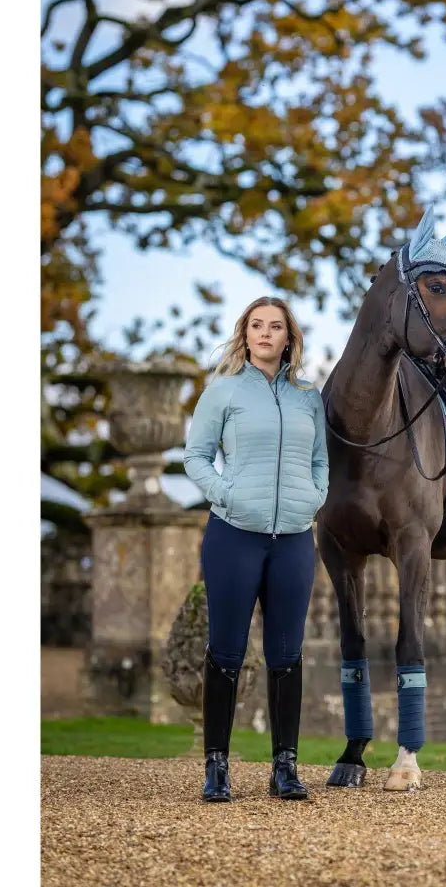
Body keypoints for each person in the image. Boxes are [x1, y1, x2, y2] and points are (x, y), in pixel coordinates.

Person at [183, 296, 329, 803]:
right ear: (245, 335)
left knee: (286, 654)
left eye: (276, 326)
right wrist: (227, 494)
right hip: (233, 536)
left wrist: (313, 498)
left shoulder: (309, 397)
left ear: (289, 337)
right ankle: (217, 767)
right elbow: (196, 457)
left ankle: (285, 768)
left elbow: (320, 462)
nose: (266, 333)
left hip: (293, 539)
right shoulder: (222, 392)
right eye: (256, 325)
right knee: (225, 650)